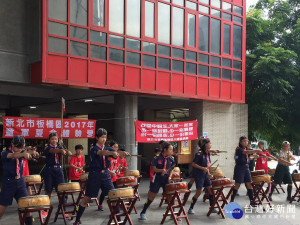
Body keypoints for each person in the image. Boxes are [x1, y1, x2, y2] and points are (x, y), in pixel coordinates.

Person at [73, 128, 130, 225]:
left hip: (106, 175)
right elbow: (101, 152)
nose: (104, 139)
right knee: (87, 198)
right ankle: (77, 220)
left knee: (114, 195)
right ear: (97, 138)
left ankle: (118, 220)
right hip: (95, 174)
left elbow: (115, 154)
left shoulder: (109, 148)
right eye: (102, 137)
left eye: (105, 137)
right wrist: (112, 153)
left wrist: (122, 153)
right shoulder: (93, 148)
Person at [0, 135, 38, 225]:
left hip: (20, 182)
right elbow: (14, 155)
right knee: (2, 208)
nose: (19, 149)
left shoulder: (22, 150)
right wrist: (23, 154)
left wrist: (33, 152)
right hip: (9, 182)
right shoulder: (5, 153)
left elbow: (26, 151)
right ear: (12, 145)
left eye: (21, 147)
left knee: (26, 207)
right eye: (18, 147)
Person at [140, 142, 175, 220]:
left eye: (172, 149)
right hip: (157, 179)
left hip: (166, 179)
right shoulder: (157, 157)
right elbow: (153, 168)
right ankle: (143, 212)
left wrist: (170, 176)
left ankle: (173, 213)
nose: (172, 151)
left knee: (170, 196)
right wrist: (161, 170)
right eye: (170, 149)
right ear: (165, 149)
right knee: (152, 196)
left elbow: (172, 168)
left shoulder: (171, 159)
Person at [187, 138, 218, 214]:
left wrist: (208, 173)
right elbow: (193, 164)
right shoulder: (199, 153)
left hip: (205, 175)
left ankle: (212, 207)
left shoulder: (207, 153)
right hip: (199, 174)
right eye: (210, 143)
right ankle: (191, 207)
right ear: (205, 144)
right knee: (198, 192)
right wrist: (202, 168)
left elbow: (207, 165)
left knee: (210, 190)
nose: (211, 144)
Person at [230, 136, 262, 204]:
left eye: (247, 141)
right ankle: (231, 200)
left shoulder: (246, 148)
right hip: (239, 168)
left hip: (246, 168)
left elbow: (248, 157)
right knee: (237, 184)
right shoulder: (239, 149)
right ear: (240, 142)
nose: (246, 142)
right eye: (244, 141)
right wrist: (256, 150)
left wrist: (254, 156)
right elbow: (245, 152)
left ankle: (252, 201)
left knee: (249, 183)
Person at [44, 133, 72, 198]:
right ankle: (46, 204)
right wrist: (60, 150)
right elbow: (52, 151)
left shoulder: (60, 147)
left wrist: (67, 151)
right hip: (50, 170)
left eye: (56, 139)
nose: (54, 141)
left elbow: (67, 152)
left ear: (58, 140)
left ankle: (62, 205)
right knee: (48, 189)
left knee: (61, 189)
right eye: (52, 139)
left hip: (59, 169)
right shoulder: (47, 147)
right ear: (49, 140)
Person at [97, 141, 120, 211]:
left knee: (113, 192)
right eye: (115, 147)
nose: (116, 148)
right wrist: (110, 172)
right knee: (104, 192)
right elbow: (105, 167)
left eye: (117, 147)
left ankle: (115, 209)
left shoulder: (116, 156)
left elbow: (117, 166)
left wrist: (117, 171)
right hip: (107, 176)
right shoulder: (108, 156)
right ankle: (100, 204)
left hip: (114, 176)